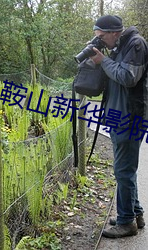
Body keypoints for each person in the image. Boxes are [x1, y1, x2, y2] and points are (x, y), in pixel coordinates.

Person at [90, 15, 148, 238]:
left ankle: (126, 223)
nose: (101, 41)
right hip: (118, 116)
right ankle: (135, 213)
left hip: (130, 117)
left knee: (123, 170)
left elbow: (127, 77)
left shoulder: (136, 44)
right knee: (125, 169)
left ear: (114, 32)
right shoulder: (119, 46)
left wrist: (103, 61)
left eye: (102, 37)